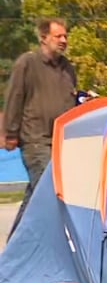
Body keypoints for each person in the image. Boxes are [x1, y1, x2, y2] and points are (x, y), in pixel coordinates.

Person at [4, 18, 77, 236]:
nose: (64, 40)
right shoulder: (27, 63)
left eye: (65, 36)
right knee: (49, 194)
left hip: (61, 142)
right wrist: (9, 133)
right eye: (58, 36)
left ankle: (14, 248)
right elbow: (14, 97)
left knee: (36, 195)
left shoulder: (68, 69)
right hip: (35, 140)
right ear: (43, 38)